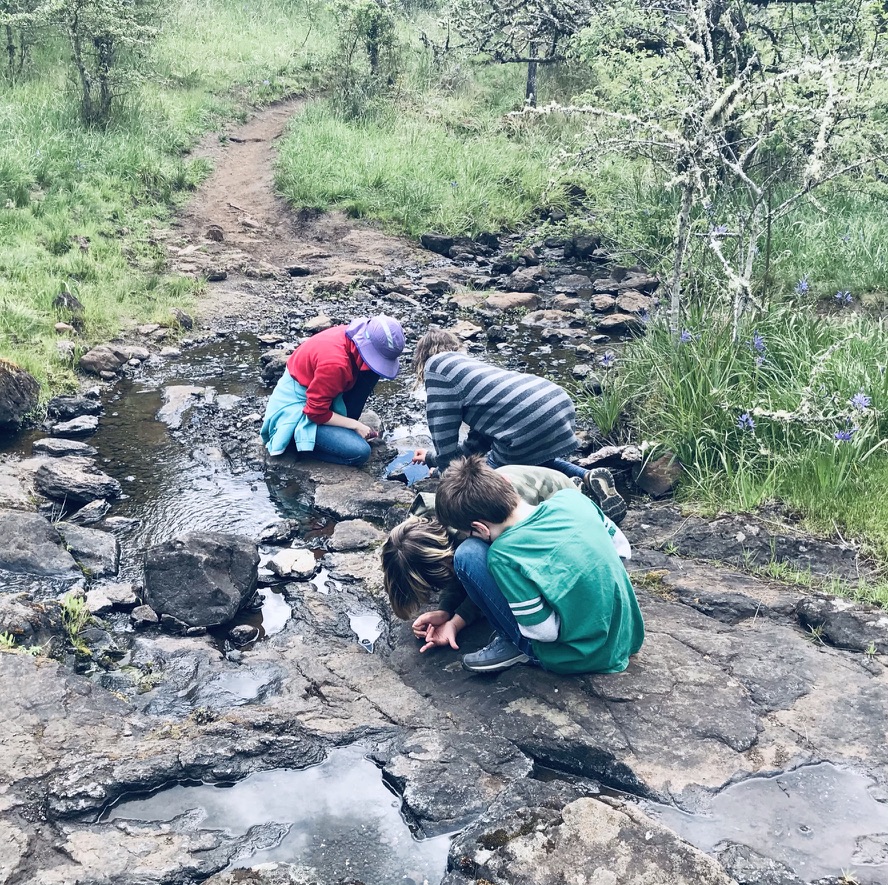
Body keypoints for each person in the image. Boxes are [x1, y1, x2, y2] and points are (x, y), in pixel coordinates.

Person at [381, 464, 631, 657]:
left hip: (558, 511)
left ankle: (515, 647)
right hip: (563, 502)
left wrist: (459, 619)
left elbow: (493, 578)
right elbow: (460, 577)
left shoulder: (493, 538)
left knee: (474, 556)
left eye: (435, 586)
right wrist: (446, 610)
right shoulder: (433, 518)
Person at [433, 455, 644, 675]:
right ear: (505, 482)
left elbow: (545, 633)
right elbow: (622, 550)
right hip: (628, 633)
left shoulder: (503, 556)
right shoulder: (572, 499)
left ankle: (514, 646)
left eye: (470, 534)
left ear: (481, 529)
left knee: (468, 555)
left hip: (580, 657)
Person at [410, 329, 626, 523]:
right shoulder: (469, 370)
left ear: (421, 359)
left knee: (489, 478)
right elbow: (478, 442)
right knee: (535, 460)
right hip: (555, 401)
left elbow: (445, 441)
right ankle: (587, 476)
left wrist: (445, 476)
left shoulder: (436, 369)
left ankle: (568, 491)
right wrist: (431, 458)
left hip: (527, 419)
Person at [260, 315, 404, 466]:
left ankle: (339, 430)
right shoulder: (335, 364)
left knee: (371, 373)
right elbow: (315, 412)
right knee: (360, 452)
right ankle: (296, 443)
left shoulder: (352, 337)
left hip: (318, 394)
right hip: (299, 410)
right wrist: (356, 425)